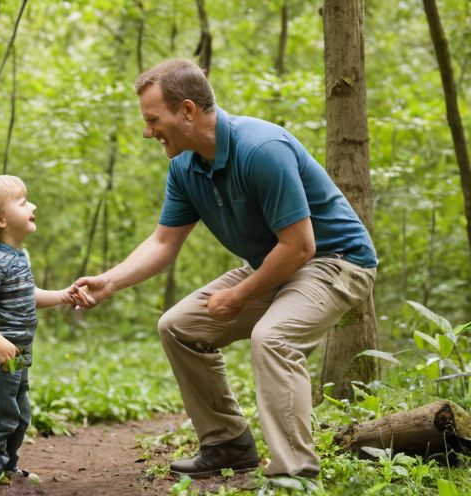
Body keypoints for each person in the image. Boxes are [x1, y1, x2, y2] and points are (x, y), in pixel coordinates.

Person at [74, 59, 377, 479]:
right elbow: (164, 242)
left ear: (186, 110)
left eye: (152, 119)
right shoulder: (184, 166)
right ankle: (227, 443)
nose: (147, 131)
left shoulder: (261, 150)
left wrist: (239, 295)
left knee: (273, 338)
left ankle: (296, 473)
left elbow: (300, 246)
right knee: (178, 326)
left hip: (336, 262)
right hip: (275, 264)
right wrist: (109, 281)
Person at [0, 175, 86, 484]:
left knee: (20, 411)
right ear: (0, 219)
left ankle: (9, 469)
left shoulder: (18, 257)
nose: (33, 205)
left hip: (17, 351)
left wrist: (62, 296)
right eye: (23, 202)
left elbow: (27, 295)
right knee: (3, 412)